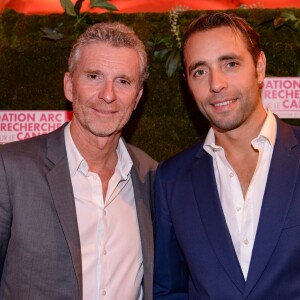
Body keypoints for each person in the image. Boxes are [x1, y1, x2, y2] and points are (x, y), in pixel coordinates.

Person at [0, 22, 157, 300]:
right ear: (70, 86)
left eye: (123, 81)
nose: (108, 95)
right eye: (94, 76)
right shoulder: (10, 169)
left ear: (137, 97)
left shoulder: (152, 177)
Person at [153, 12, 300, 299]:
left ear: (259, 68)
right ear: (187, 83)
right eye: (200, 71)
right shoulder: (171, 179)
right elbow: (170, 290)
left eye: (230, 64)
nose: (215, 84)